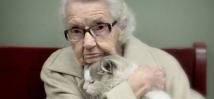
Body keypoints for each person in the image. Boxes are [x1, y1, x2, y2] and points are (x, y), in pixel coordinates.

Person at [40, 0, 205, 99]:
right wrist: (131, 89)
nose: (88, 43)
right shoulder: (57, 69)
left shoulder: (164, 65)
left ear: (122, 27)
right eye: (76, 30)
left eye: (99, 27)